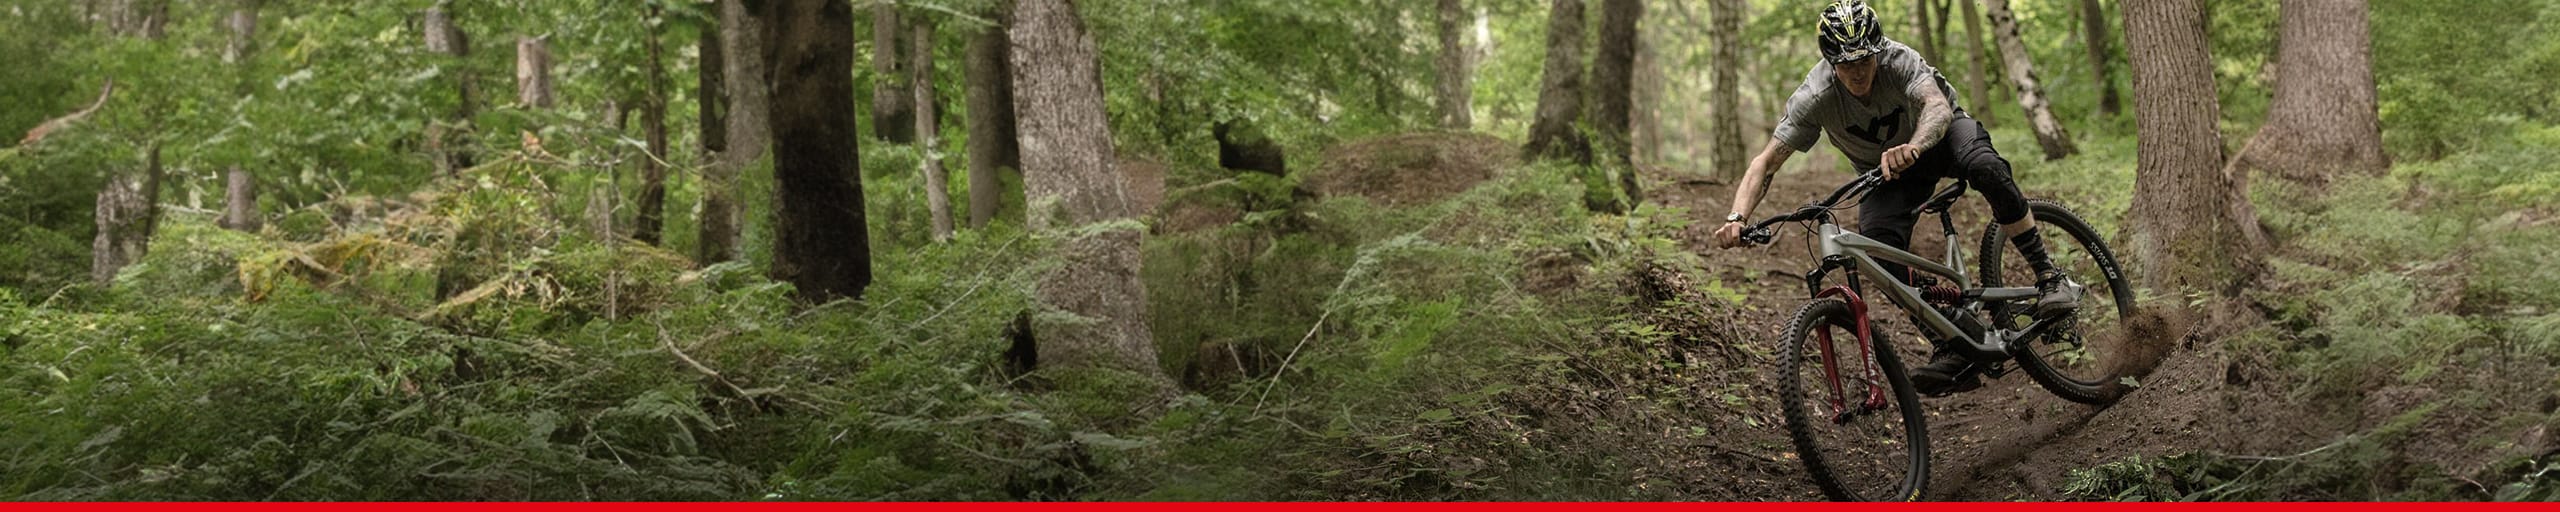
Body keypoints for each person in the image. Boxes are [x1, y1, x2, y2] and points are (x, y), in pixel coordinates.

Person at [1712, 0, 2077, 395]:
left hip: (1941, 138)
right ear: (1830, 61)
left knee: (1985, 166)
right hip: (1885, 174)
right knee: (1878, 254)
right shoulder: (1814, 96)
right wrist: (1737, 217)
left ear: (1877, 50)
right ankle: (1954, 338)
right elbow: (1765, 163)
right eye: (1846, 64)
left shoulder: (1898, 59)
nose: (1857, 71)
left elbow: (1936, 107)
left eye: (1864, 60)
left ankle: (2048, 275)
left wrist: (1914, 147)